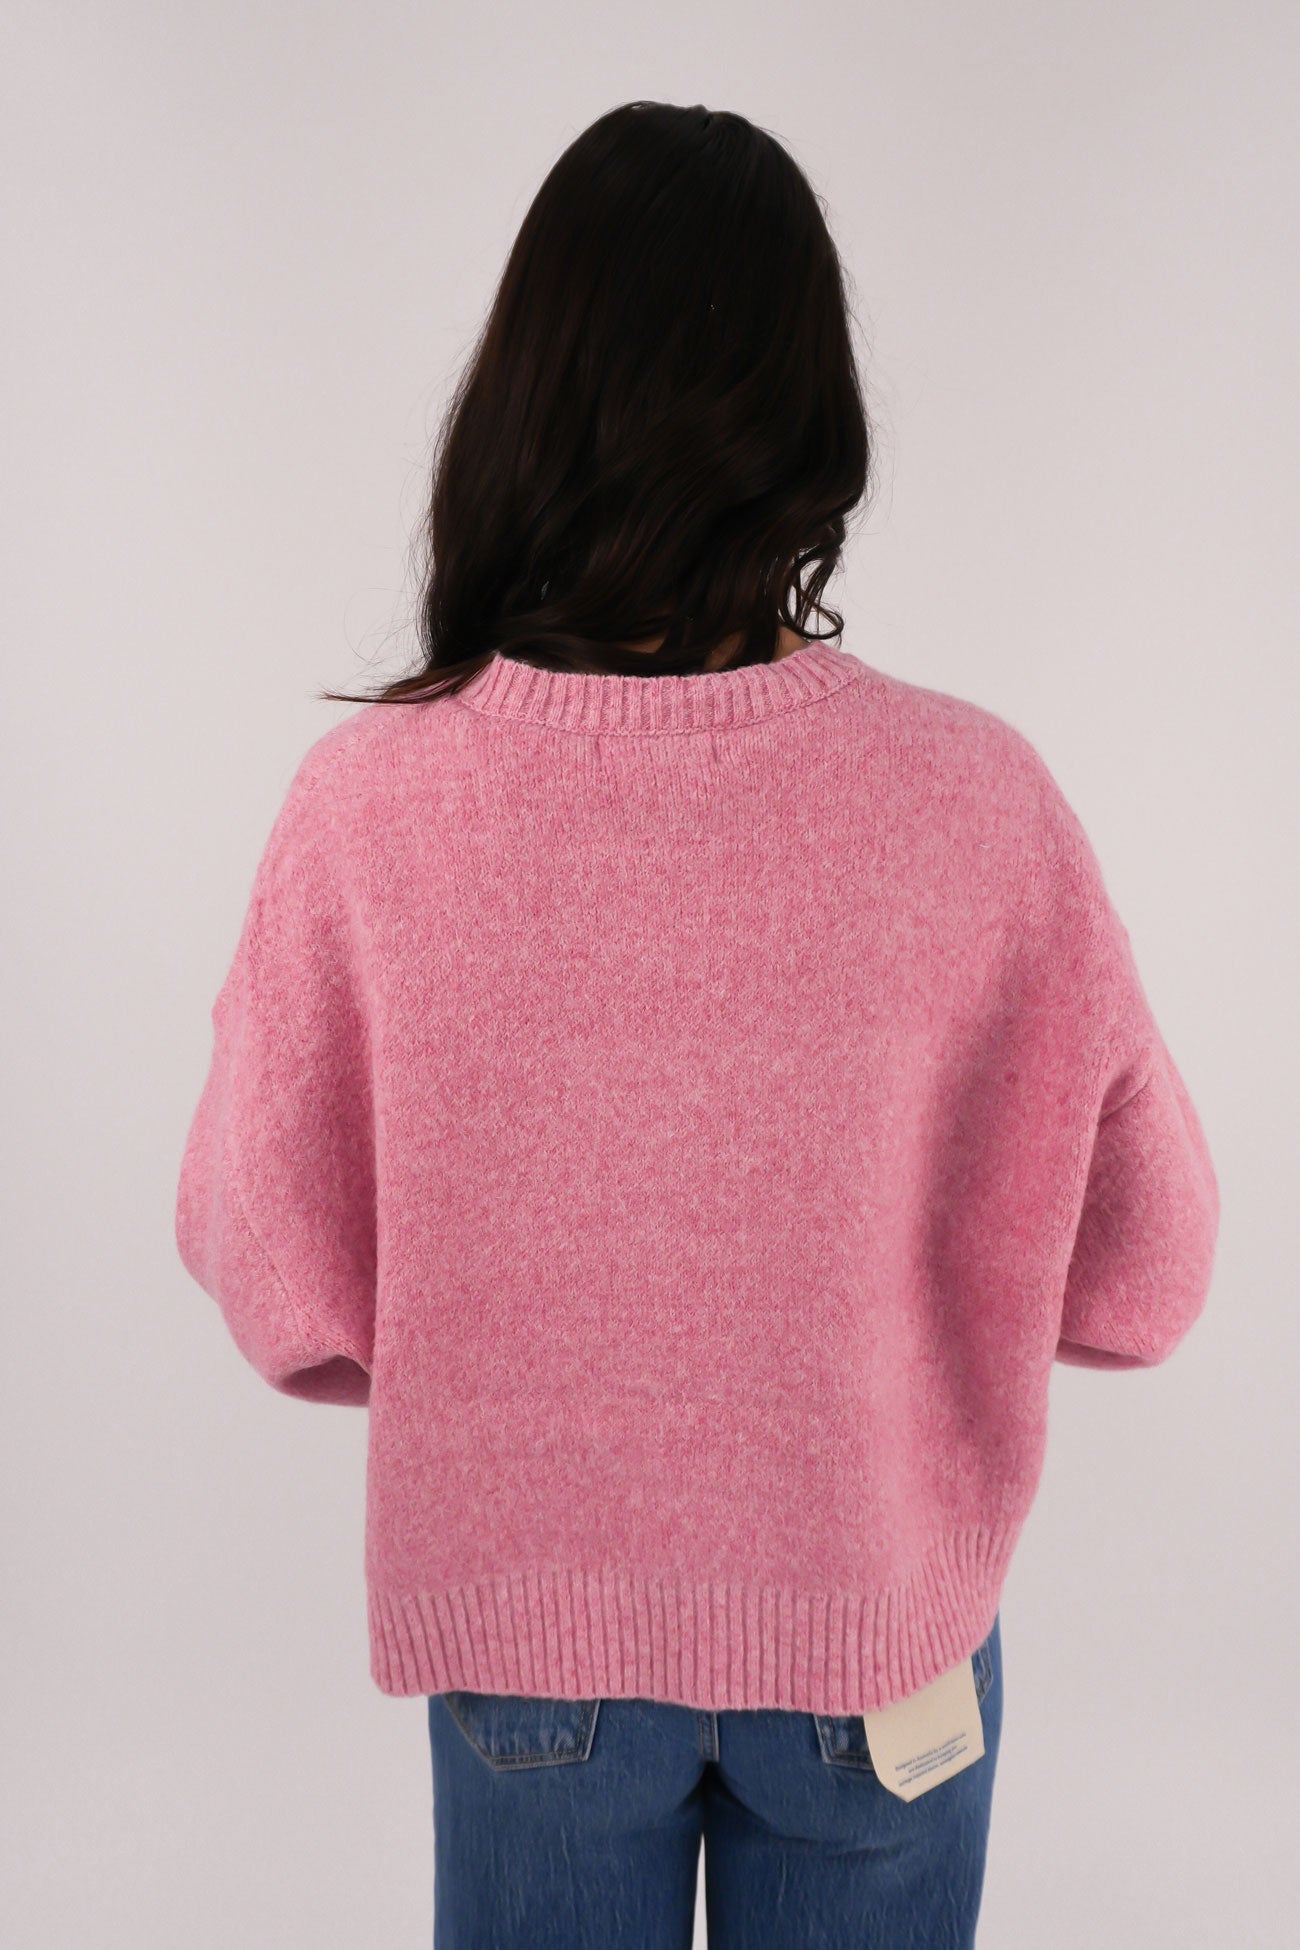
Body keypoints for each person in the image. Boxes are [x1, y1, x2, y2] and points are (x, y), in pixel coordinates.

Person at [174, 100, 1220, 1949]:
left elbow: (271, 1267)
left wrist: (508, 1351)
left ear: (524, 399)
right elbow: (1153, 1266)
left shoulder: (367, 810)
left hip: (531, 1646)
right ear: (815, 422)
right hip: (877, 1633)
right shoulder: (980, 804)